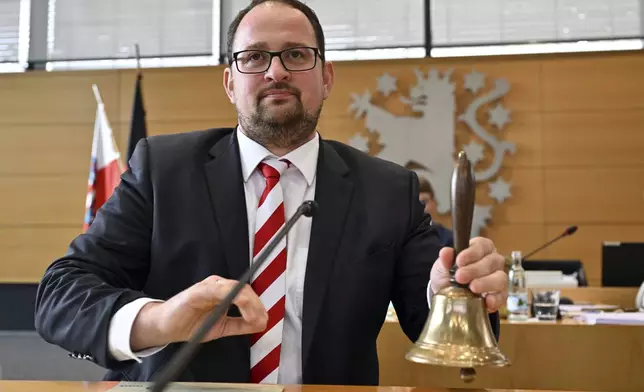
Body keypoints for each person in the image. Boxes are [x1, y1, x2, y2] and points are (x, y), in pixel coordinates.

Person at [34, 0, 508, 386]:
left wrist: (458, 291)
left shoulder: (388, 189)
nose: (275, 71)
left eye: (296, 55)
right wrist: (160, 319)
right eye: (254, 56)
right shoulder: (163, 170)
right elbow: (61, 294)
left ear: (326, 79)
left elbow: (429, 312)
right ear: (230, 81)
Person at [417, 176, 454, 248]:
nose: (421, 209)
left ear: (434, 203)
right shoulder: (396, 241)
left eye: (424, 201)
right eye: (415, 204)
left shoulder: (449, 239)